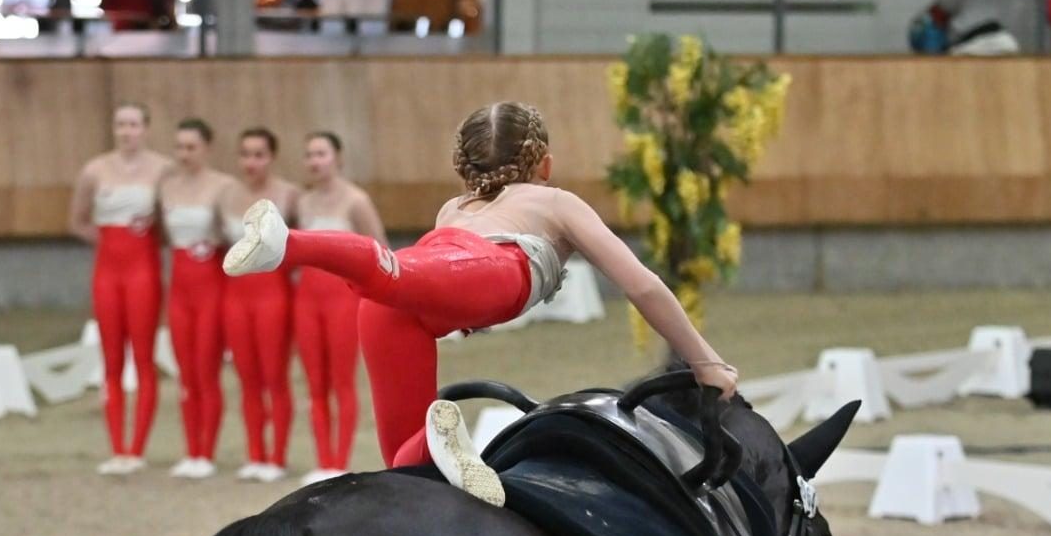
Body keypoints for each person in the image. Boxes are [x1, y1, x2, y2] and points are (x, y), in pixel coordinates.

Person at [225, 101, 738, 506]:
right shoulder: (556, 201)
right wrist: (704, 360)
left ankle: (440, 443)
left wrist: (461, 314)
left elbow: (437, 289)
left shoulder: (453, 207)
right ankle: (289, 244)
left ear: (464, 167)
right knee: (398, 271)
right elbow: (642, 284)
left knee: (403, 461)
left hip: (409, 300)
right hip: (478, 272)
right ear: (544, 163)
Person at [69, 102, 171, 476]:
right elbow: (78, 221)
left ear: (146, 128)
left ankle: (138, 447)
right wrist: (111, 240)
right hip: (108, 270)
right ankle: (117, 448)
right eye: (121, 124)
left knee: (144, 357)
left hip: (143, 270)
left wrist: (147, 235)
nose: (127, 131)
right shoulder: (95, 170)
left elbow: (173, 217)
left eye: (134, 124)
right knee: (111, 359)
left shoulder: (162, 170)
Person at [291, 131, 386, 485]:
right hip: (308, 298)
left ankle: (339, 460)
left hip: (343, 300)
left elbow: (381, 252)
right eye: (309, 155)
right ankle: (322, 459)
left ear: (338, 158)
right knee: (314, 381)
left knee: (341, 380)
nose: (315, 161)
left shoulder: (356, 201)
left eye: (321, 154)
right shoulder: (302, 202)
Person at [221, 128, 300, 483]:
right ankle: (255, 453)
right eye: (245, 154)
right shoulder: (225, 196)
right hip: (235, 296)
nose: (251, 162)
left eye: (259, 154)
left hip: (273, 295)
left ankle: (277, 456)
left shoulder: (289, 196)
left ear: (271, 157)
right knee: (247, 378)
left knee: (274, 376)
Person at [160, 118, 234, 479]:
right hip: (180, 289)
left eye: (191, 147)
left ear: (206, 148)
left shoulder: (223, 187)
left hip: (211, 288)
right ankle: (190, 450)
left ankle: (207, 451)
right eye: (179, 147)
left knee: (207, 371)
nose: (184, 154)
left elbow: (235, 234)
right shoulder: (168, 186)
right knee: (185, 373)